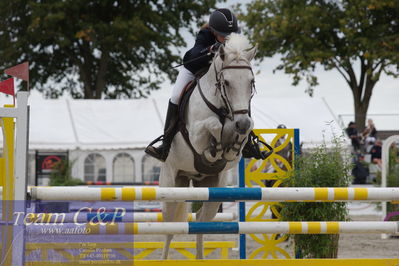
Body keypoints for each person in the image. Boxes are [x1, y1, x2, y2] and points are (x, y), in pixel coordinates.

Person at [145, 8, 265, 162]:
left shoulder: (234, 36)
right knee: (175, 96)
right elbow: (194, 54)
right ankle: (165, 144)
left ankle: (248, 142)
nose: (227, 38)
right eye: (223, 35)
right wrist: (211, 49)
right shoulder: (205, 35)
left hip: (221, 75)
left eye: (229, 35)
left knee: (240, 91)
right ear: (214, 32)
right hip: (194, 69)